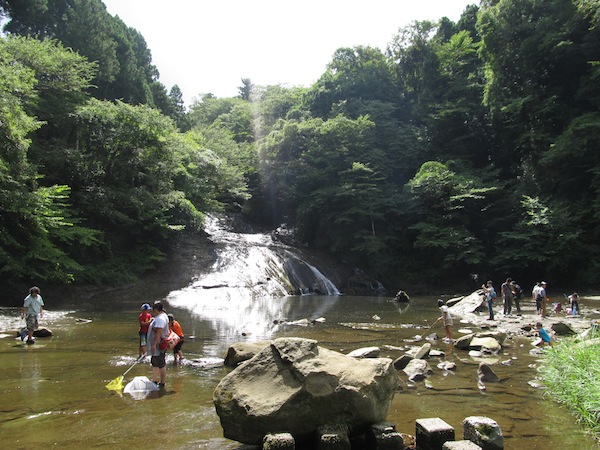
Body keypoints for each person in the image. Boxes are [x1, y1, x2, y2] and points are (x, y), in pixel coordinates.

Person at [147, 301, 169, 388]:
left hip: (158, 345)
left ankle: (158, 381)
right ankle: (157, 380)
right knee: (158, 362)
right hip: (160, 344)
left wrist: (154, 345)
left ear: (156, 309)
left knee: (158, 363)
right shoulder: (162, 316)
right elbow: (159, 330)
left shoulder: (160, 319)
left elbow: (159, 333)